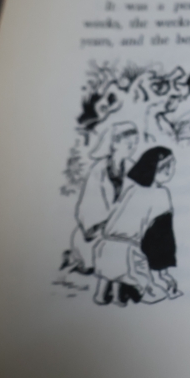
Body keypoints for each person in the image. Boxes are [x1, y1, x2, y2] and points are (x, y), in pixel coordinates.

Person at [92, 146, 180, 306]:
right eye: (167, 167)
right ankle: (119, 295)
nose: (171, 170)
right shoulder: (161, 194)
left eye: (172, 165)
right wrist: (163, 274)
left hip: (105, 246)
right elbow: (161, 238)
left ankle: (107, 295)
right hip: (131, 253)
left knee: (110, 275)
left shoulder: (133, 190)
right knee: (156, 293)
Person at [61, 122, 139, 294]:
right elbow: (88, 206)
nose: (133, 147)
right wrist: (108, 221)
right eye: (128, 142)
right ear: (114, 143)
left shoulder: (133, 168)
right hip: (98, 230)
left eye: (135, 142)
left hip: (123, 228)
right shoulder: (98, 170)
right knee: (97, 261)